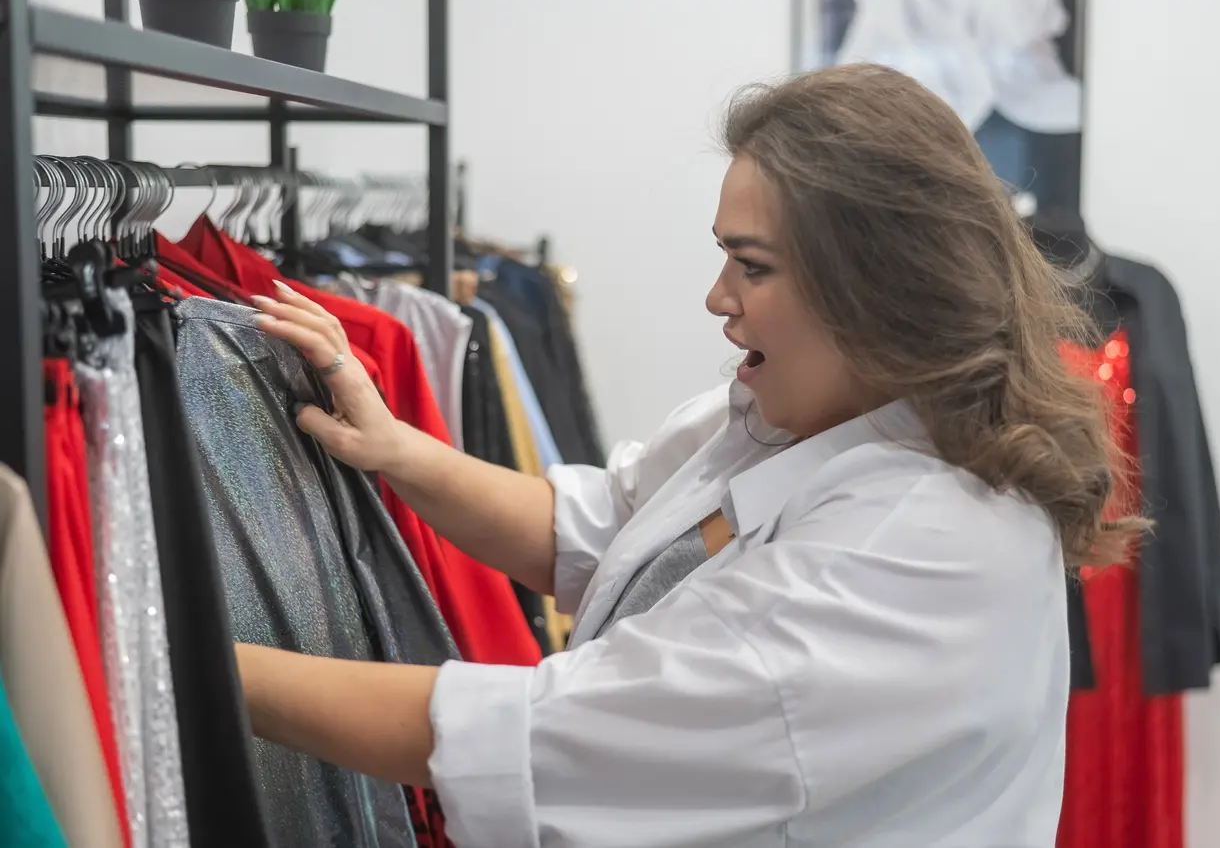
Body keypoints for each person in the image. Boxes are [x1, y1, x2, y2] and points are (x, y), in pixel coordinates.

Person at [238, 63, 1141, 847]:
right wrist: (396, 450)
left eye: (752, 266)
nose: (718, 298)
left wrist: (200, 663)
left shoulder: (915, 548)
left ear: (876, 287)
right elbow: (596, 528)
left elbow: (553, 734)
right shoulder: (784, 415)